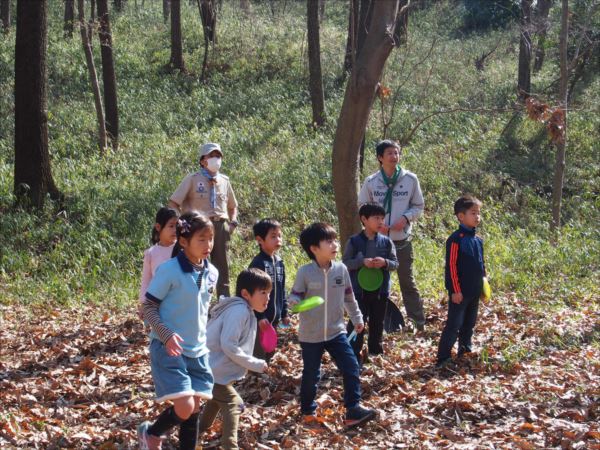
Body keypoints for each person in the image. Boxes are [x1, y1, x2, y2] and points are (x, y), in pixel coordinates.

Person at [137, 211, 219, 450]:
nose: (208, 245)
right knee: (185, 406)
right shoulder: (169, 270)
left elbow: (201, 309)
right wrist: (166, 334)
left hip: (198, 350)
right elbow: (149, 306)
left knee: (193, 407)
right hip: (167, 348)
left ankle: (155, 437)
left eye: (210, 238)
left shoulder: (212, 272)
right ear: (184, 242)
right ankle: (151, 434)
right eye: (201, 239)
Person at [288, 222, 377, 429]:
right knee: (312, 373)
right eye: (329, 241)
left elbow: (349, 297)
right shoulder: (305, 272)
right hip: (311, 334)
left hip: (337, 331)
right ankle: (308, 410)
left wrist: (357, 318)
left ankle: (353, 409)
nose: (335, 244)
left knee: (351, 365)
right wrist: (294, 304)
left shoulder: (341, 269)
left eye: (335, 240)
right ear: (314, 248)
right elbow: (295, 297)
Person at [198, 269, 272, 449]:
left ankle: (193, 432)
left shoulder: (242, 309)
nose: (267, 298)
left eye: (269, 293)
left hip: (213, 368)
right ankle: (229, 446)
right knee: (234, 404)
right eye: (263, 292)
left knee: (215, 402)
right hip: (211, 369)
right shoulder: (239, 312)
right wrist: (256, 364)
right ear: (246, 294)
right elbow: (228, 345)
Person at [358, 140, 426, 331]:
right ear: (380, 158)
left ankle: (417, 322)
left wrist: (405, 218)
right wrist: (374, 225)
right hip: (377, 241)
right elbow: (362, 206)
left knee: (407, 281)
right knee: (374, 284)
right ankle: (374, 322)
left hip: (401, 241)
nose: (394, 157)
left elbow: (418, 206)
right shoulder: (371, 182)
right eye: (390, 153)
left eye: (397, 153)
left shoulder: (410, 179)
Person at [169, 143, 238, 298]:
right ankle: (197, 298)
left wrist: (232, 223)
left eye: (218, 156)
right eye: (211, 156)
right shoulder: (192, 179)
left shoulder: (225, 181)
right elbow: (173, 203)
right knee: (197, 262)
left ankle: (223, 301)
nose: (216, 159)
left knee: (222, 265)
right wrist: (182, 222)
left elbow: (233, 206)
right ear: (202, 160)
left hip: (220, 226)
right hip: (197, 226)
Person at [342, 203, 399, 363]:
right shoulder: (354, 241)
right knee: (357, 321)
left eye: (382, 218)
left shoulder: (387, 242)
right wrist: (361, 262)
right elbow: (345, 263)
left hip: (380, 290)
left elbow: (395, 264)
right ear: (364, 219)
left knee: (377, 322)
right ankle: (352, 354)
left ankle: (375, 352)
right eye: (376, 218)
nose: (380, 221)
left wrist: (385, 262)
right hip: (358, 291)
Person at [436, 195, 486, 369]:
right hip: (460, 292)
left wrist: (484, 283)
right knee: (454, 324)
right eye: (473, 213)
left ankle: (464, 351)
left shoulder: (478, 240)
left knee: (469, 324)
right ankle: (442, 358)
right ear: (461, 216)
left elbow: (481, 264)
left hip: (474, 291)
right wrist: (455, 290)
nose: (477, 217)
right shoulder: (456, 239)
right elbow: (451, 267)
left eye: (479, 213)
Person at [248, 219, 289, 360]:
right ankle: (255, 376)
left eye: (279, 235)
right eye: (273, 236)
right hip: (260, 318)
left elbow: (282, 289)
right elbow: (252, 293)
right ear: (260, 240)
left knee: (270, 347)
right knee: (258, 349)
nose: (278, 239)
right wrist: (259, 316)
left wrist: (284, 312)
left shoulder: (280, 262)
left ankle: (265, 373)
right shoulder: (258, 263)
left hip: (275, 316)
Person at [138, 207, 180, 320]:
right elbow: (146, 281)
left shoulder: (183, 249)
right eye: (171, 226)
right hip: (158, 303)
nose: (175, 229)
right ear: (158, 227)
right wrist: (144, 304)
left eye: (177, 225)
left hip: (180, 302)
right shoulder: (151, 254)